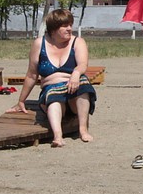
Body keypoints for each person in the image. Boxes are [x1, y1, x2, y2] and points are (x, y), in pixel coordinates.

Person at [12, 8, 95, 147]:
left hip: (73, 92)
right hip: (52, 92)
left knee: (84, 85)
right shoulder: (40, 44)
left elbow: (82, 64)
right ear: (53, 29)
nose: (69, 29)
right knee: (54, 98)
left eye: (70, 25)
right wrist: (21, 101)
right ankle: (58, 136)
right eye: (65, 26)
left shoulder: (77, 42)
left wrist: (75, 74)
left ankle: (83, 130)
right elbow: (32, 75)